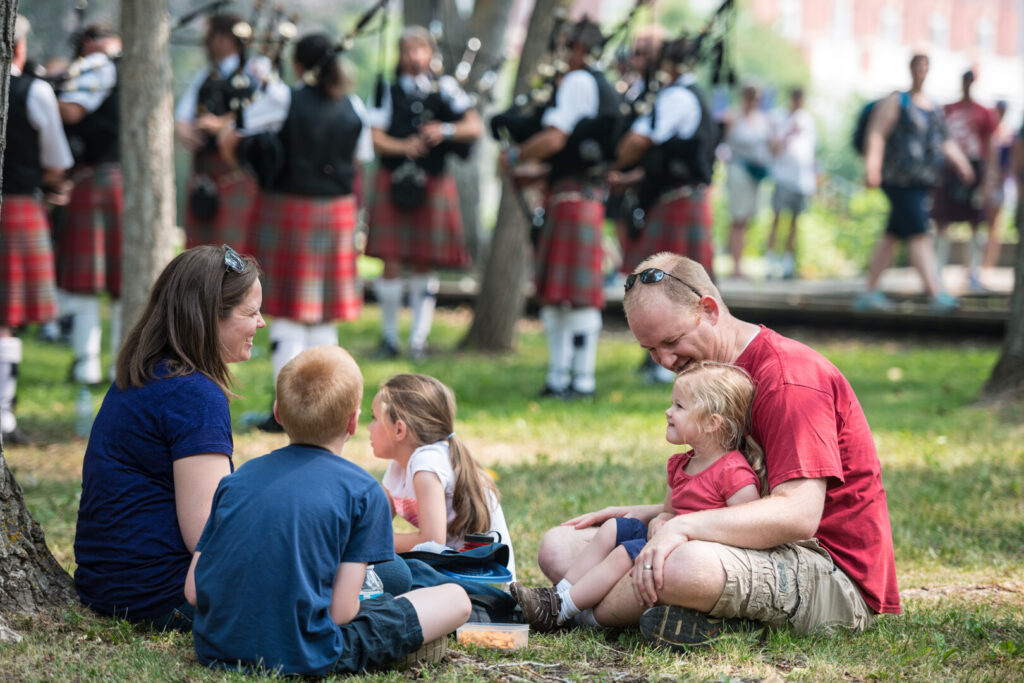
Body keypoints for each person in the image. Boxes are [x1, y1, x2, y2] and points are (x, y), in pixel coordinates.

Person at [537, 252, 900, 649]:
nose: (666, 362)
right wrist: (654, 515)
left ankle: (602, 612)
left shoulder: (788, 378)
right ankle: (685, 613)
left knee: (678, 565)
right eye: (651, 350)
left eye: (672, 342)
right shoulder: (709, 376)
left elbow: (798, 515)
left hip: (830, 573)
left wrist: (680, 527)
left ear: (709, 309)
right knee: (559, 547)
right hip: (750, 550)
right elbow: (728, 498)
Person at [186, 346, 471, 675]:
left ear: (278, 413)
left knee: (390, 576)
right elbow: (340, 614)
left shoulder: (236, 480)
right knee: (455, 598)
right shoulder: (364, 492)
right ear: (352, 422)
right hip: (308, 651)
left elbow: (193, 590)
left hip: (216, 645)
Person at [73, 245, 265, 631]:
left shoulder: (151, 373)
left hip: (111, 585)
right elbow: (208, 535)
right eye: (251, 312)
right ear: (211, 317)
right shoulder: (194, 394)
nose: (260, 323)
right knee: (380, 577)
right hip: (162, 594)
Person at [511, 361, 765, 632]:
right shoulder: (681, 464)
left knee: (626, 553)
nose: (668, 412)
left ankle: (568, 611)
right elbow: (671, 510)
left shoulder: (733, 472)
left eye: (679, 407)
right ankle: (557, 595)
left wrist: (681, 532)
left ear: (712, 422)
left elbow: (743, 530)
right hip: (666, 541)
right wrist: (663, 519)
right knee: (613, 529)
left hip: (691, 555)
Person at [222, 33, 374, 433]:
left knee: (288, 310)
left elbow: (238, 131)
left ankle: (285, 412)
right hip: (338, 211)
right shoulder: (353, 105)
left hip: (290, 207)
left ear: (300, 65)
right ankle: (332, 409)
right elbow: (363, 156)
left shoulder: (284, 98)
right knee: (323, 313)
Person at [503, 18, 619, 399]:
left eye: (567, 48)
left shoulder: (577, 81)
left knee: (565, 294)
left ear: (579, 50)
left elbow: (555, 138)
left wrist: (518, 154)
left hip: (570, 202)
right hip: (584, 197)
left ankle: (568, 378)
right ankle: (572, 378)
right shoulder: (605, 87)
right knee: (572, 293)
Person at [365, 26, 481, 360]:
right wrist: (404, 145)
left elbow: (474, 126)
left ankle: (418, 340)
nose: (415, 57)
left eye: (420, 50)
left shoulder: (446, 88)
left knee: (423, 262)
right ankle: (389, 339)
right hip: (394, 180)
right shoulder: (385, 90)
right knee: (391, 260)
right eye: (408, 50)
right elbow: (374, 136)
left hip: (432, 182)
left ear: (430, 53)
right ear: (399, 55)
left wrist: (445, 129)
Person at [610, 36, 717, 385]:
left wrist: (615, 162)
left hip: (678, 202)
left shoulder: (676, 97)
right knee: (675, 287)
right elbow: (666, 155)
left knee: (670, 288)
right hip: (679, 199)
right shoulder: (687, 94)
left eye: (649, 59)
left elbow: (642, 140)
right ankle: (671, 361)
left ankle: (669, 364)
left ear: (667, 65)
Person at [0, 15, 74, 445]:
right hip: (17, 206)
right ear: (21, 48)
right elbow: (57, 161)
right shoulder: (36, 90)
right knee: (4, 320)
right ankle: (4, 418)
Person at [857, 53, 973, 313]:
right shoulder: (898, 100)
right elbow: (876, 133)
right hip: (897, 181)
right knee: (919, 232)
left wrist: (962, 163)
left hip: (921, 182)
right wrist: (872, 168)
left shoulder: (932, 105)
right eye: (918, 66)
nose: (922, 71)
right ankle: (936, 294)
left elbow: (944, 140)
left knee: (892, 235)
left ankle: (868, 293)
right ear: (911, 68)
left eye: (925, 66)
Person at [370, 373, 516, 577]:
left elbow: (431, 542)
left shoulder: (426, 465)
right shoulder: (399, 466)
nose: (368, 427)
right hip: (449, 570)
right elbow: (373, 523)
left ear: (399, 430)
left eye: (374, 418)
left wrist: (374, 541)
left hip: (480, 580)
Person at [56, 24, 124, 386]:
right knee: (116, 282)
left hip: (96, 176)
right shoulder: (125, 65)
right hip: (120, 179)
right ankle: (114, 366)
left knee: (91, 283)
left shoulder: (99, 65)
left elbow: (72, 112)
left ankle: (88, 365)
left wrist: (42, 94)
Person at [175, 12, 269, 251]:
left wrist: (222, 124)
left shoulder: (257, 72)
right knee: (202, 249)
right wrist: (185, 131)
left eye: (209, 34)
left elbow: (263, 112)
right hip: (206, 171)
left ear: (225, 39)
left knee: (234, 249)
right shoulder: (206, 76)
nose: (204, 41)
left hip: (238, 171)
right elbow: (183, 117)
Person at [931, 69, 999, 292]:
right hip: (949, 170)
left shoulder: (985, 112)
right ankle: (936, 273)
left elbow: (990, 145)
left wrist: (988, 178)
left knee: (975, 222)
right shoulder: (948, 109)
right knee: (942, 220)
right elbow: (940, 140)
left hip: (975, 169)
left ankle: (973, 274)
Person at [765, 87, 817, 280]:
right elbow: (774, 148)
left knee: (795, 222)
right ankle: (771, 264)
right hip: (783, 177)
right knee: (777, 219)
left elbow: (811, 152)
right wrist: (789, 133)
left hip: (802, 181)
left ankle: (788, 264)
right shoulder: (778, 117)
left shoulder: (808, 120)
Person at [723, 82, 771, 279]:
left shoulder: (763, 120)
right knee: (737, 218)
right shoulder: (733, 116)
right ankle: (736, 266)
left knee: (747, 219)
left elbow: (771, 145)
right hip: (738, 170)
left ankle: (738, 261)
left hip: (756, 174)